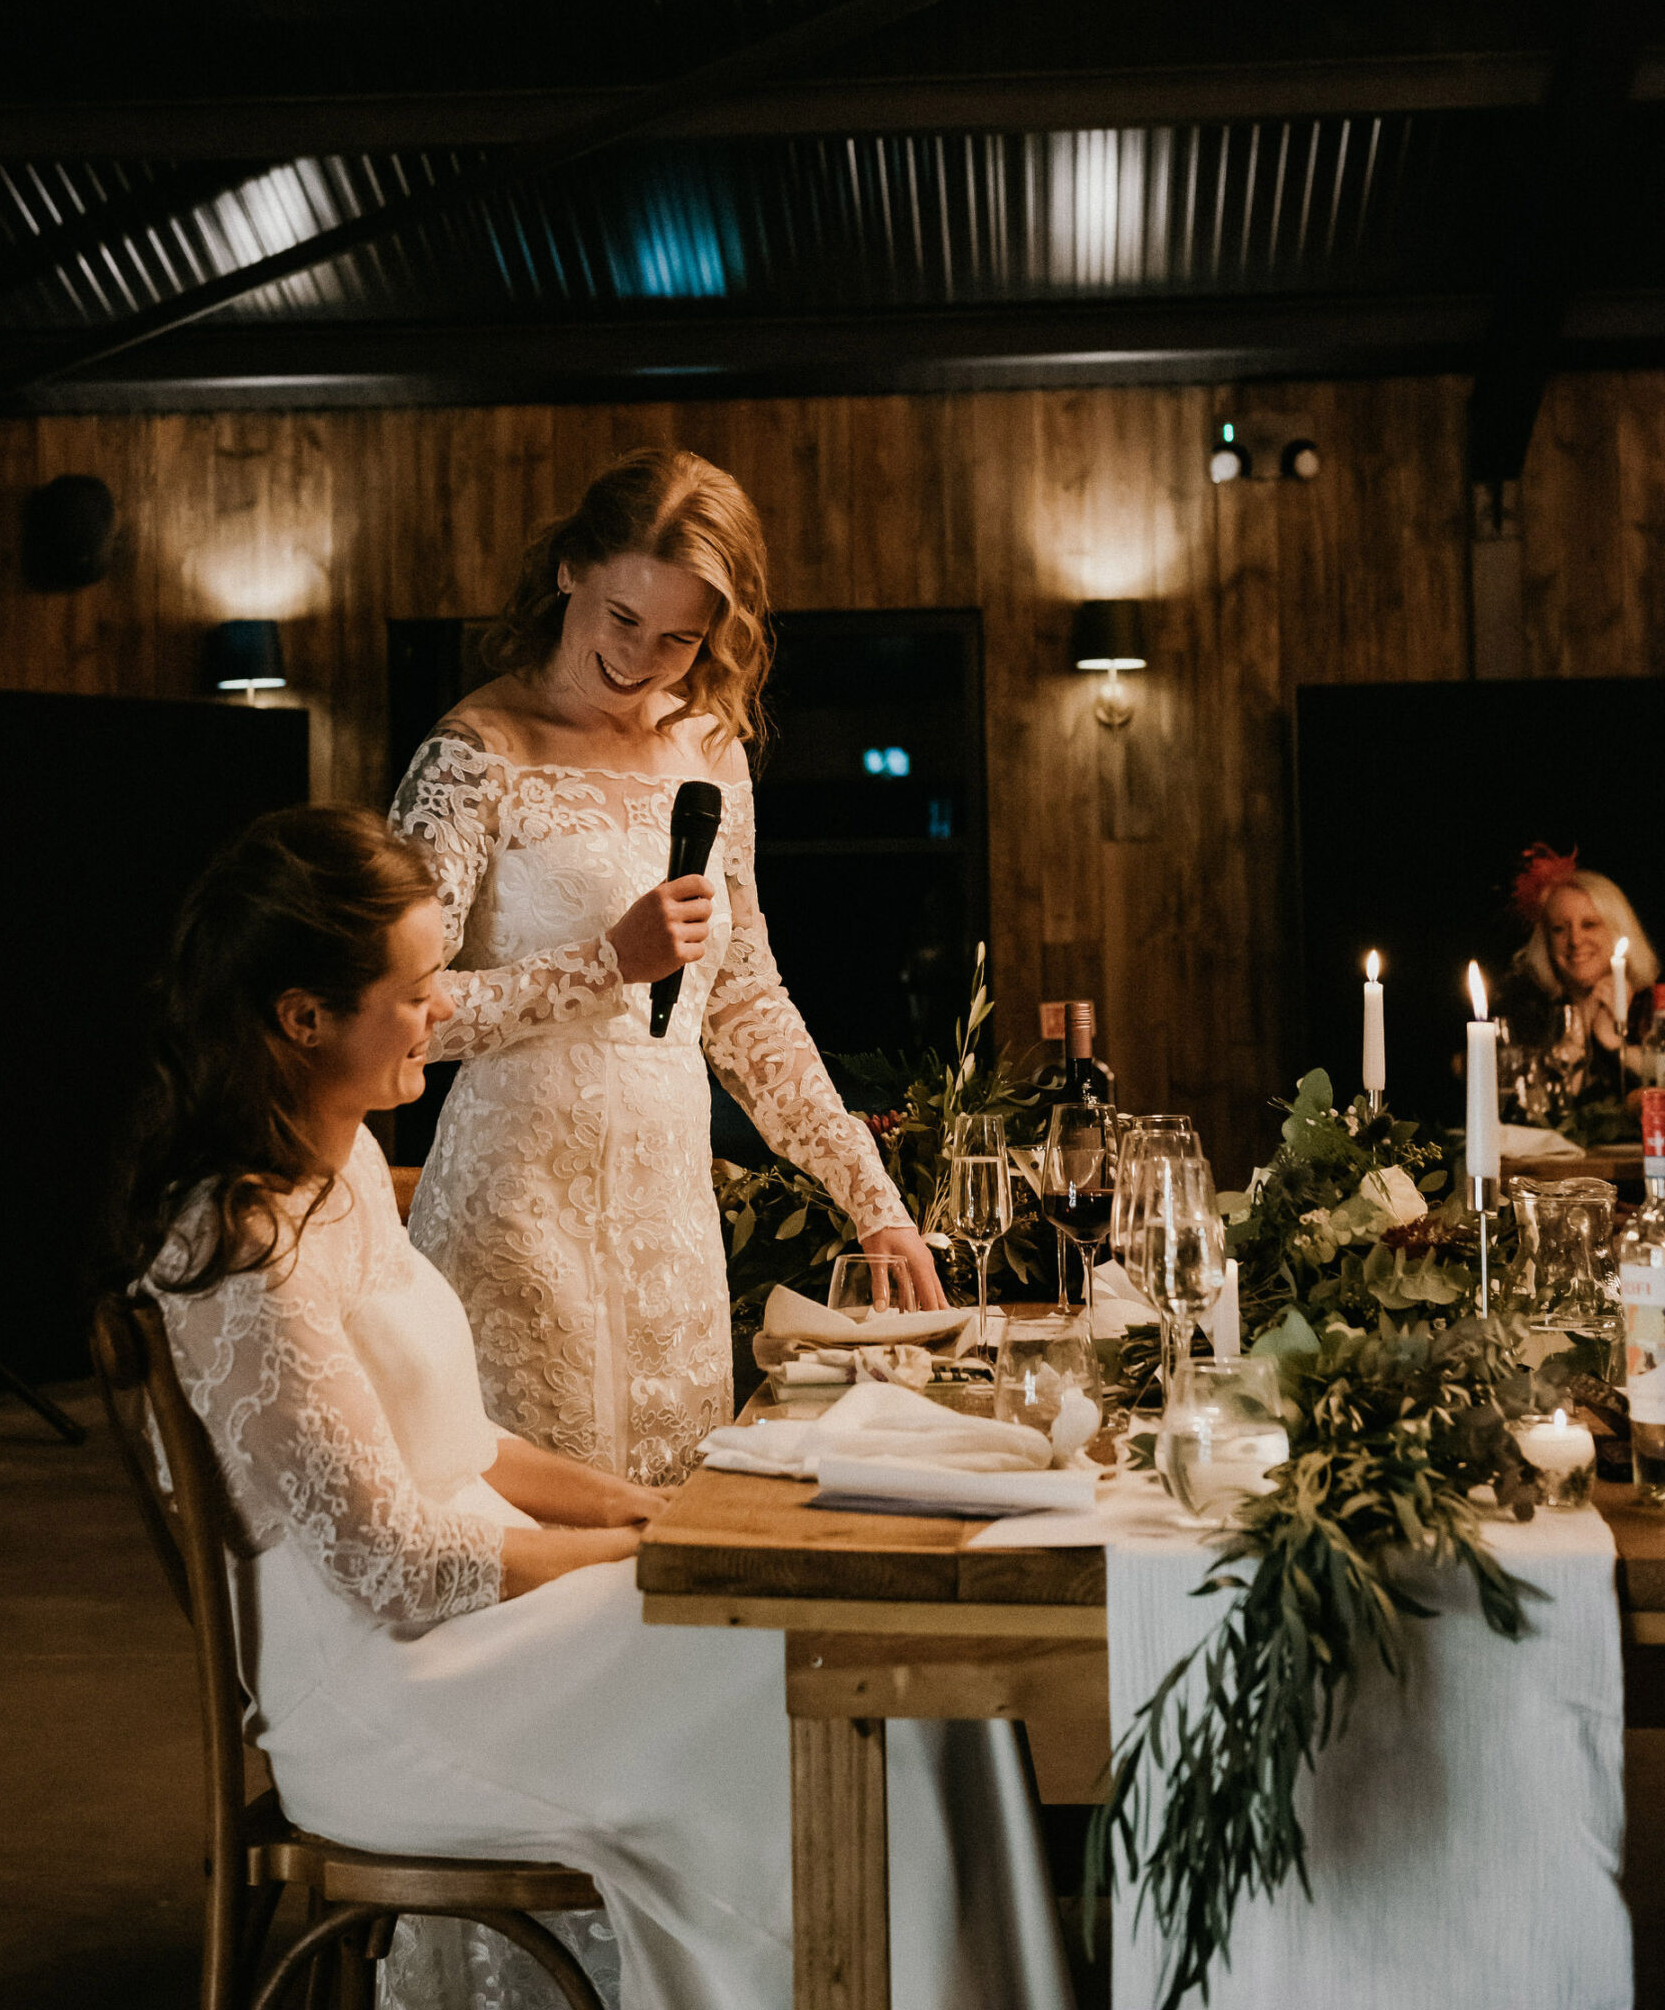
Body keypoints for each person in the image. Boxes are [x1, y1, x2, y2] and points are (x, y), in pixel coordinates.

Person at [116, 806, 1072, 2010]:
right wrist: (650, 1557)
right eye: (415, 990)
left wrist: (666, 1509)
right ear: (303, 1017)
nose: (441, 1008)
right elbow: (397, 1563)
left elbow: (469, 1447)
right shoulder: (243, 1242)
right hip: (392, 1689)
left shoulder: (347, 1162)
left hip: (471, 1625)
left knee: (903, 1651)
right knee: (822, 1652)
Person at [389, 448, 940, 1487]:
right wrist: (609, 962)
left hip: (669, 1225)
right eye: (621, 617)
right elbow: (400, 1009)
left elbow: (747, 1001)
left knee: (674, 1544)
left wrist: (875, 1198)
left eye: (680, 637)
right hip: (515, 1217)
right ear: (570, 573)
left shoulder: (711, 752)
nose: (640, 658)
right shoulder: (473, 750)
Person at [1506, 843, 1658, 1103]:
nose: (1575, 940)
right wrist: (1578, 1031)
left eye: (1589, 925)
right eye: (1558, 929)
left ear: (1617, 930)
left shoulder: (1656, 1008)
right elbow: (1532, 1112)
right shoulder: (1528, 1013)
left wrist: (1612, 1042)